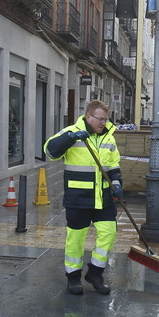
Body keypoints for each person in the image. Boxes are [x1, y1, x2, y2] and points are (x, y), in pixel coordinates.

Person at [44, 99, 123, 296]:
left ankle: (95, 273)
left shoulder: (109, 138)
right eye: (100, 119)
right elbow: (50, 150)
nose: (103, 123)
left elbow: (113, 165)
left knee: (109, 232)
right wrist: (71, 138)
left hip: (103, 198)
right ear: (88, 116)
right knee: (75, 239)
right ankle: (73, 277)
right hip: (78, 197)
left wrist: (117, 183)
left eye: (105, 119)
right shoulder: (71, 131)